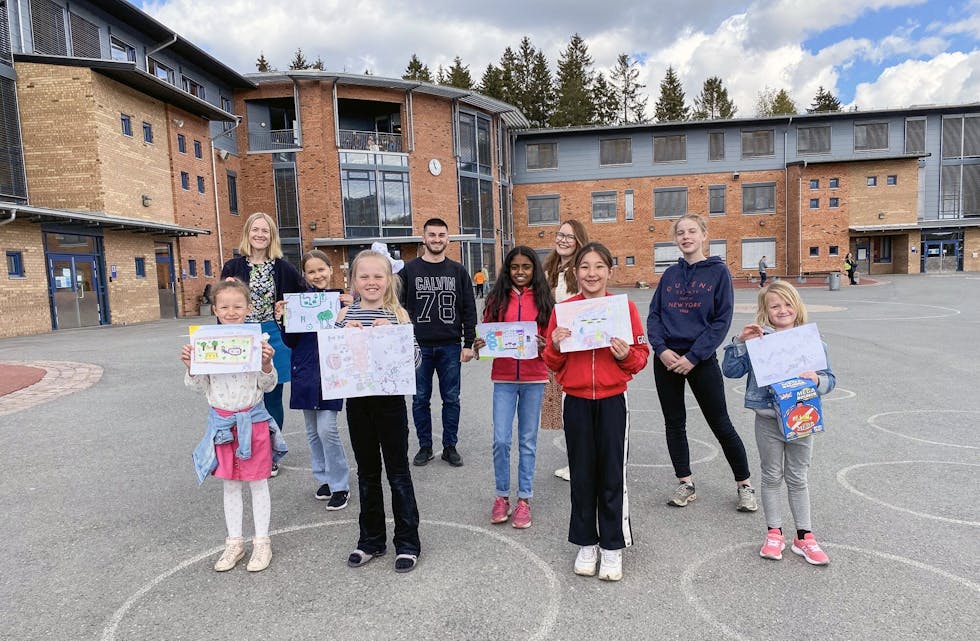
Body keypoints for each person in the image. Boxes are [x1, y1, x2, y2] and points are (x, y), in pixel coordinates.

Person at [542, 242, 649, 582]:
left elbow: (640, 356)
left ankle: (613, 547)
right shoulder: (564, 311)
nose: (591, 273)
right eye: (585, 267)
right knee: (582, 474)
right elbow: (551, 361)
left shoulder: (625, 308)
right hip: (575, 400)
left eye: (599, 267)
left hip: (612, 399)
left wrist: (622, 356)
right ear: (575, 272)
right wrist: (556, 345)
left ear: (609, 271)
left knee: (612, 475)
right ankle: (586, 543)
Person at [646, 213, 758, 512]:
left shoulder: (718, 273)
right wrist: (660, 349)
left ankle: (744, 485)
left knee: (720, 423)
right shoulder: (669, 275)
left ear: (704, 235)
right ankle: (685, 482)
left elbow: (722, 321)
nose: (686, 237)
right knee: (674, 423)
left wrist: (694, 356)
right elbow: (654, 315)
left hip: (700, 359)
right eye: (680, 232)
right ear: (675, 239)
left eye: (692, 231)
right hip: (668, 359)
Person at [722, 281, 837, 565]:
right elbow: (730, 371)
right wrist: (739, 341)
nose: (782, 310)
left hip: (802, 419)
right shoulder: (759, 342)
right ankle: (774, 532)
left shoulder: (812, 343)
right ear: (765, 310)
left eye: (787, 304)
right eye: (775, 306)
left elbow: (830, 379)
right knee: (771, 476)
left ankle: (804, 536)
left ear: (797, 307)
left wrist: (818, 380)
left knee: (798, 477)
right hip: (768, 421)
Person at [182, 279, 288, 573]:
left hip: (252, 422)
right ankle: (234, 542)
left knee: (258, 482)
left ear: (248, 308)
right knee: (230, 485)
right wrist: (191, 366)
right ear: (215, 308)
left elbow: (268, 385)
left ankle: (262, 542)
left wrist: (267, 364)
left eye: (237, 306)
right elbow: (198, 386)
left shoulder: (256, 341)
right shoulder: (204, 343)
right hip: (223, 426)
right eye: (225, 306)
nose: (231, 312)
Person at [337, 250, 422, 573]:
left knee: (398, 473)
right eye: (364, 276)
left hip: (390, 404)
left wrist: (389, 339)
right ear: (354, 281)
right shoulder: (343, 317)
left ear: (389, 280)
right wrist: (346, 340)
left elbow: (414, 361)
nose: (371, 282)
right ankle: (371, 539)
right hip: (358, 404)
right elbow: (334, 362)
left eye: (378, 276)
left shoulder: (397, 316)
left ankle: (408, 542)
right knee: (367, 473)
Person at [472, 247, 554, 529]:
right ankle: (502, 495)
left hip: (534, 378)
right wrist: (480, 344)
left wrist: (546, 347)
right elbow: (486, 335)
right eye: (515, 267)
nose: (520, 272)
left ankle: (524, 499)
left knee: (528, 441)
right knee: (501, 440)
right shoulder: (496, 299)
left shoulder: (545, 300)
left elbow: (552, 343)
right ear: (507, 270)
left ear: (535, 270)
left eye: (526, 267)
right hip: (504, 378)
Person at [221, 212, 305, 477]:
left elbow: (303, 295)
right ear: (248, 233)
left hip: (273, 334)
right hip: (241, 335)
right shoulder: (232, 267)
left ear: (272, 236)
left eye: (265, 231)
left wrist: (287, 309)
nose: (260, 235)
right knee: (243, 396)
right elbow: (220, 302)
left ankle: (270, 452)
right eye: (255, 230)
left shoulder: (282, 267)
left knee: (272, 397)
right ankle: (244, 448)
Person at [276, 250, 353, 510]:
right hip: (305, 370)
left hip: (332, 371)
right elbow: (290, 341)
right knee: (312, 431)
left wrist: (351, 309)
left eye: (322, 269)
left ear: (331, 270)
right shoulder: (298, 303)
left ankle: (340, 484)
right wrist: (282, 320)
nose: (317, 275)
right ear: (305, 275)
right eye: (311, 271)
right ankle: (323, 478)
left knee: (327, 429)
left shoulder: (344, 301)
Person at [398, 217, 477, 467]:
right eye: (431, 235)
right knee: (420, 398)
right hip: (417, 344)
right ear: (423, 238)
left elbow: (468, 308)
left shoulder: (458, 271)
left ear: (448, 239)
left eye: (441, 235)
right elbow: (392, 301)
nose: (436, 239)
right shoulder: (409, 270)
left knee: (451, 398)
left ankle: (450, 446)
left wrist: (469, 342)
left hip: (450, 344)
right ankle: (425, 446)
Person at [544, 219, 590, 482]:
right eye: (559, 234)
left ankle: (581, 464)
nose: (562, 239)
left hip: (577, 348)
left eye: (569, 237)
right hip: (557, 346)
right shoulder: (551, 268)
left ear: (578, 241)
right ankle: (577, 461)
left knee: (577, 408)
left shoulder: (581, 270)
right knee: (563, 411)